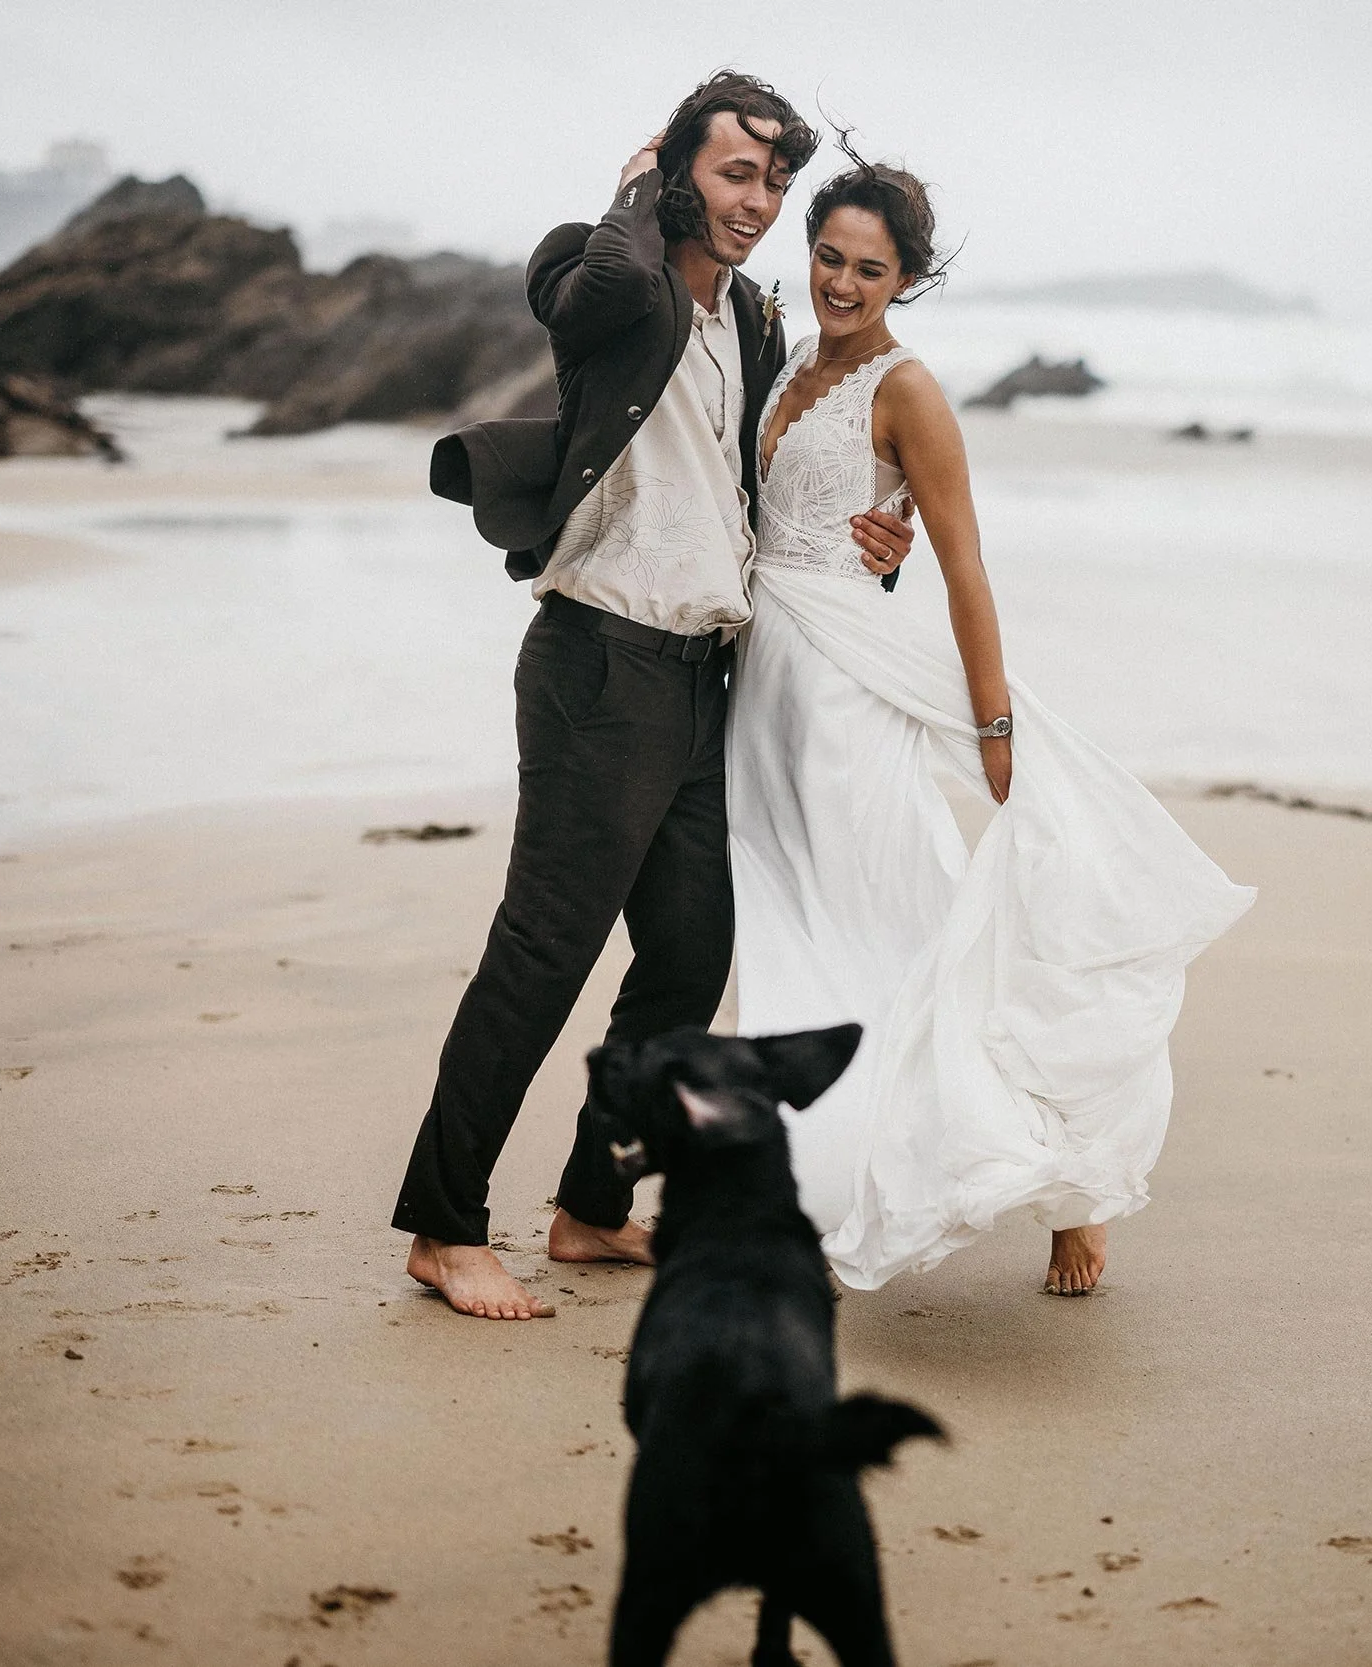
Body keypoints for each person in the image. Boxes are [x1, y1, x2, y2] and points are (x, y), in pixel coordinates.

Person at [396, 73, 916, 1320]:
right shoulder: (605, 271)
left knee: (688, 954)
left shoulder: (754, 320)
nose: (760, 200)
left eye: (774, 181)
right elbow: (607, 287)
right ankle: (441, 1224)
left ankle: (587, 1206)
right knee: (545, 948)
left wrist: (874, 549)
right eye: (737, 173)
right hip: (600, 660)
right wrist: (639, 186)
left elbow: (760, 502)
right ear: (678, 168)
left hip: (702, 676)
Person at [728, 145, 1255, 1294]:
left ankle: (1068, 1181)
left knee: (908, 927)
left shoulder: (906, 389)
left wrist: (994, 726)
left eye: (870, 269)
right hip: (763, 688)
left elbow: (965, 569)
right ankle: (823, 1181)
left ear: (905, 280)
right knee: (796, 944)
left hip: (848, 700)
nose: (843, 283)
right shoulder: (785, 363)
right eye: (828, 256)